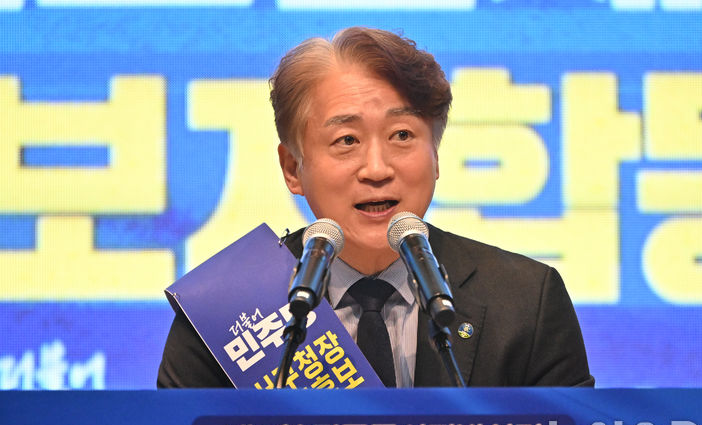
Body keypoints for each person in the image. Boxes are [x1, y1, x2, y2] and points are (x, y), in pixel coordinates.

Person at [157, 27, 594, 388]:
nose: (377, 168)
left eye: (402, 135)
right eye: (346, 140)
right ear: (293, 168)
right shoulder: (223, 313)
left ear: (435, 156)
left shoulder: (526, 302)